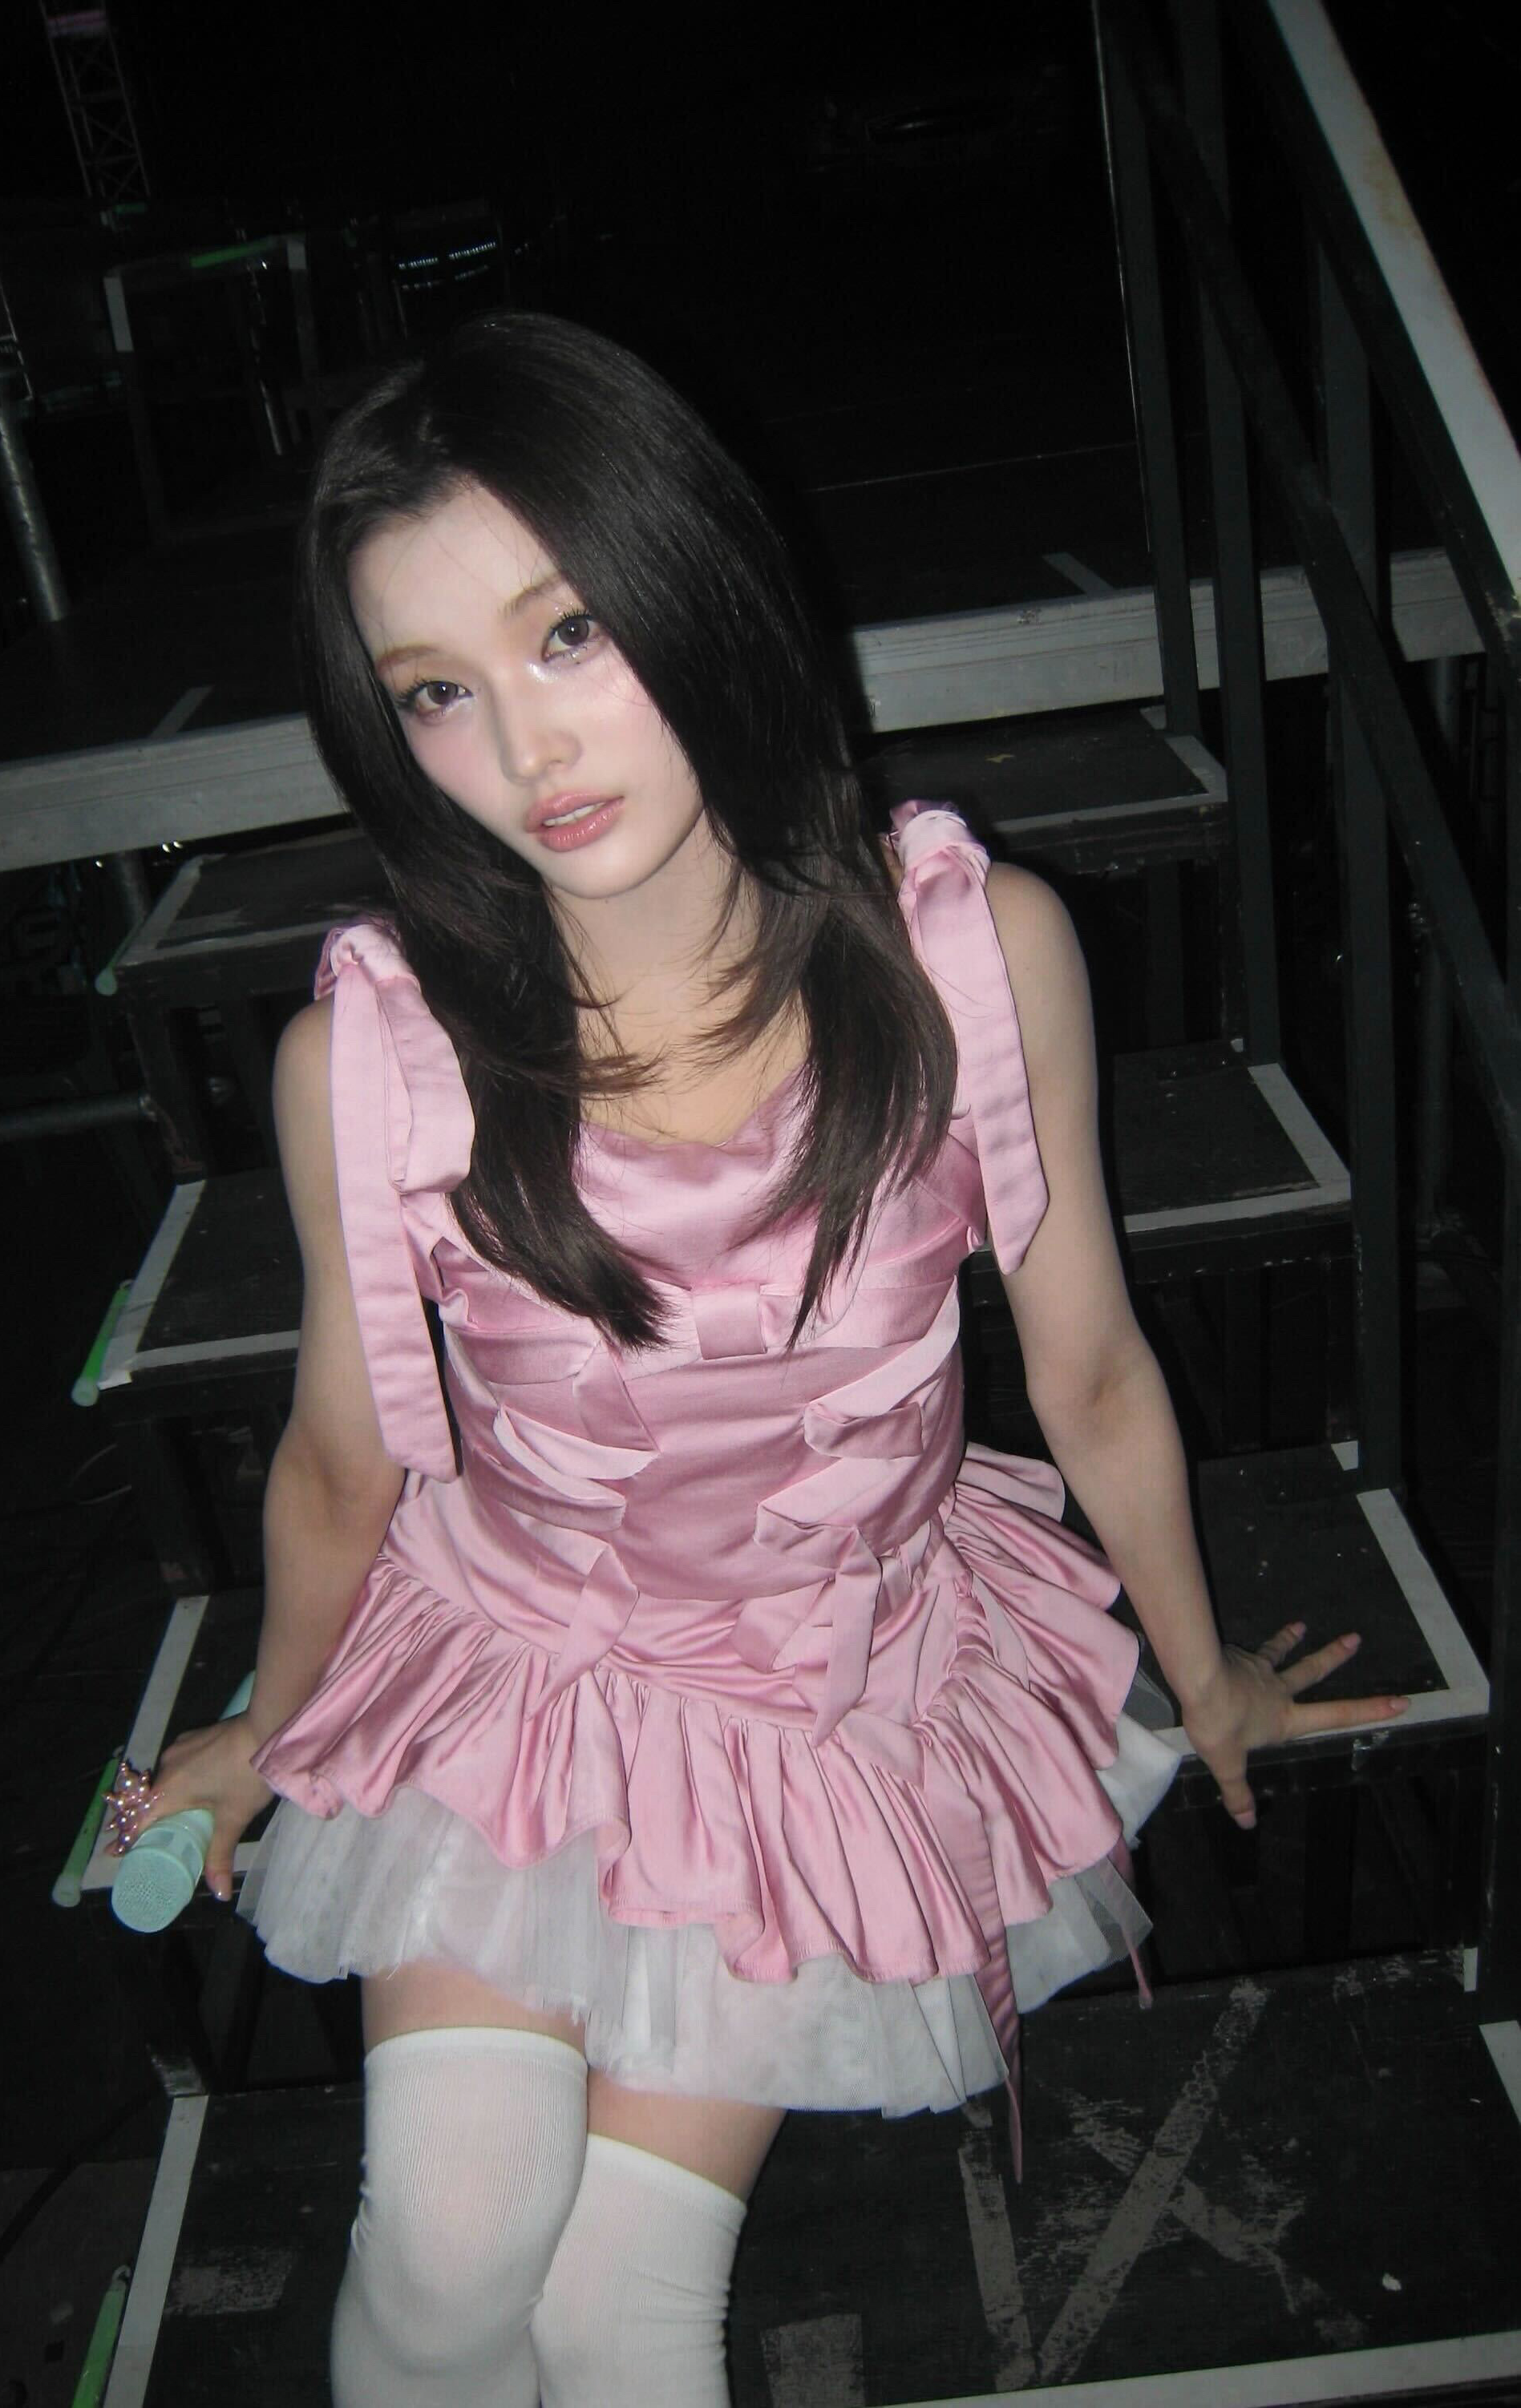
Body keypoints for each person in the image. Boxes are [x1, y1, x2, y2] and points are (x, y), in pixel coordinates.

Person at [123, 313, 1407, 2406]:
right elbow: (342, 1461)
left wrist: (1200, 1676)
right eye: (437, 688)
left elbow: (1087, 1368)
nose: (526, 746)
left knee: (620, 2317)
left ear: (701, 584)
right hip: (521, 1671)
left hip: (819, 1704)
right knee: (445, 2254)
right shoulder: (373, 1055)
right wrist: (272, 1730)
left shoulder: (971, 955)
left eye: (569, 633)